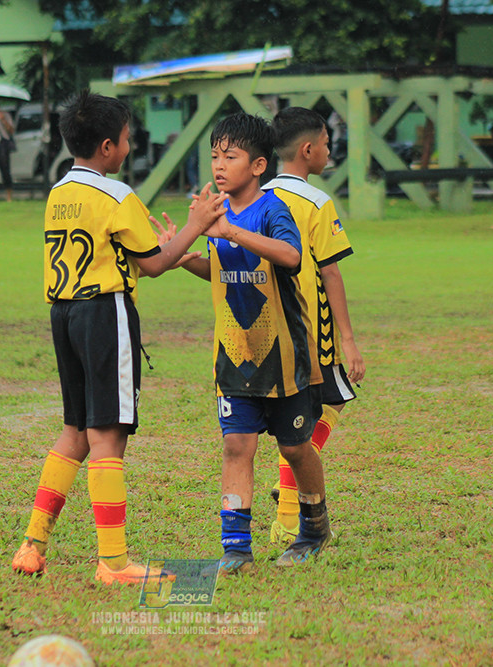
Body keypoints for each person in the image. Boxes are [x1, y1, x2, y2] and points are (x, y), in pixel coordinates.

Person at [11, 90, 227, 585]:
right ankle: (113, 563)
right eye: (127, 139)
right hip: (103, 314)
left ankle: (32, 543)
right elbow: (151, 264)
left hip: (62, 314)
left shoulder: (59, 192)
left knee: (75, 430)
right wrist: (196, 225)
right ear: (108, 146)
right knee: (107, 435)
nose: (130, 147)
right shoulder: (117, 195)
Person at [182, 113, 332, 573]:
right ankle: (236, 551)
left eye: (231, 156)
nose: (219, 166)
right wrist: (183, 255)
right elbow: (221, 267)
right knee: (236, 447)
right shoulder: (213, 210)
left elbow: (291, 255)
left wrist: (230, 231)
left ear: (259, 165)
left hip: (284, 358)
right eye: (214, 156)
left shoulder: (271, 209)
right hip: (234, 354)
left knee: (295, 448)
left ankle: (314, 526)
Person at [263, 107, 366, 546]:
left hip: (264, 329)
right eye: (325, 143)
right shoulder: (317, 202)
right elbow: (331, 273)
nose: (328, 150)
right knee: (311, 418)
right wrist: (347, 339)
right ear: (308, 150)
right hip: (309, 331)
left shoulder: (256, 195)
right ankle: (289, 512)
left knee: (321, 406)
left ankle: (292, 480)